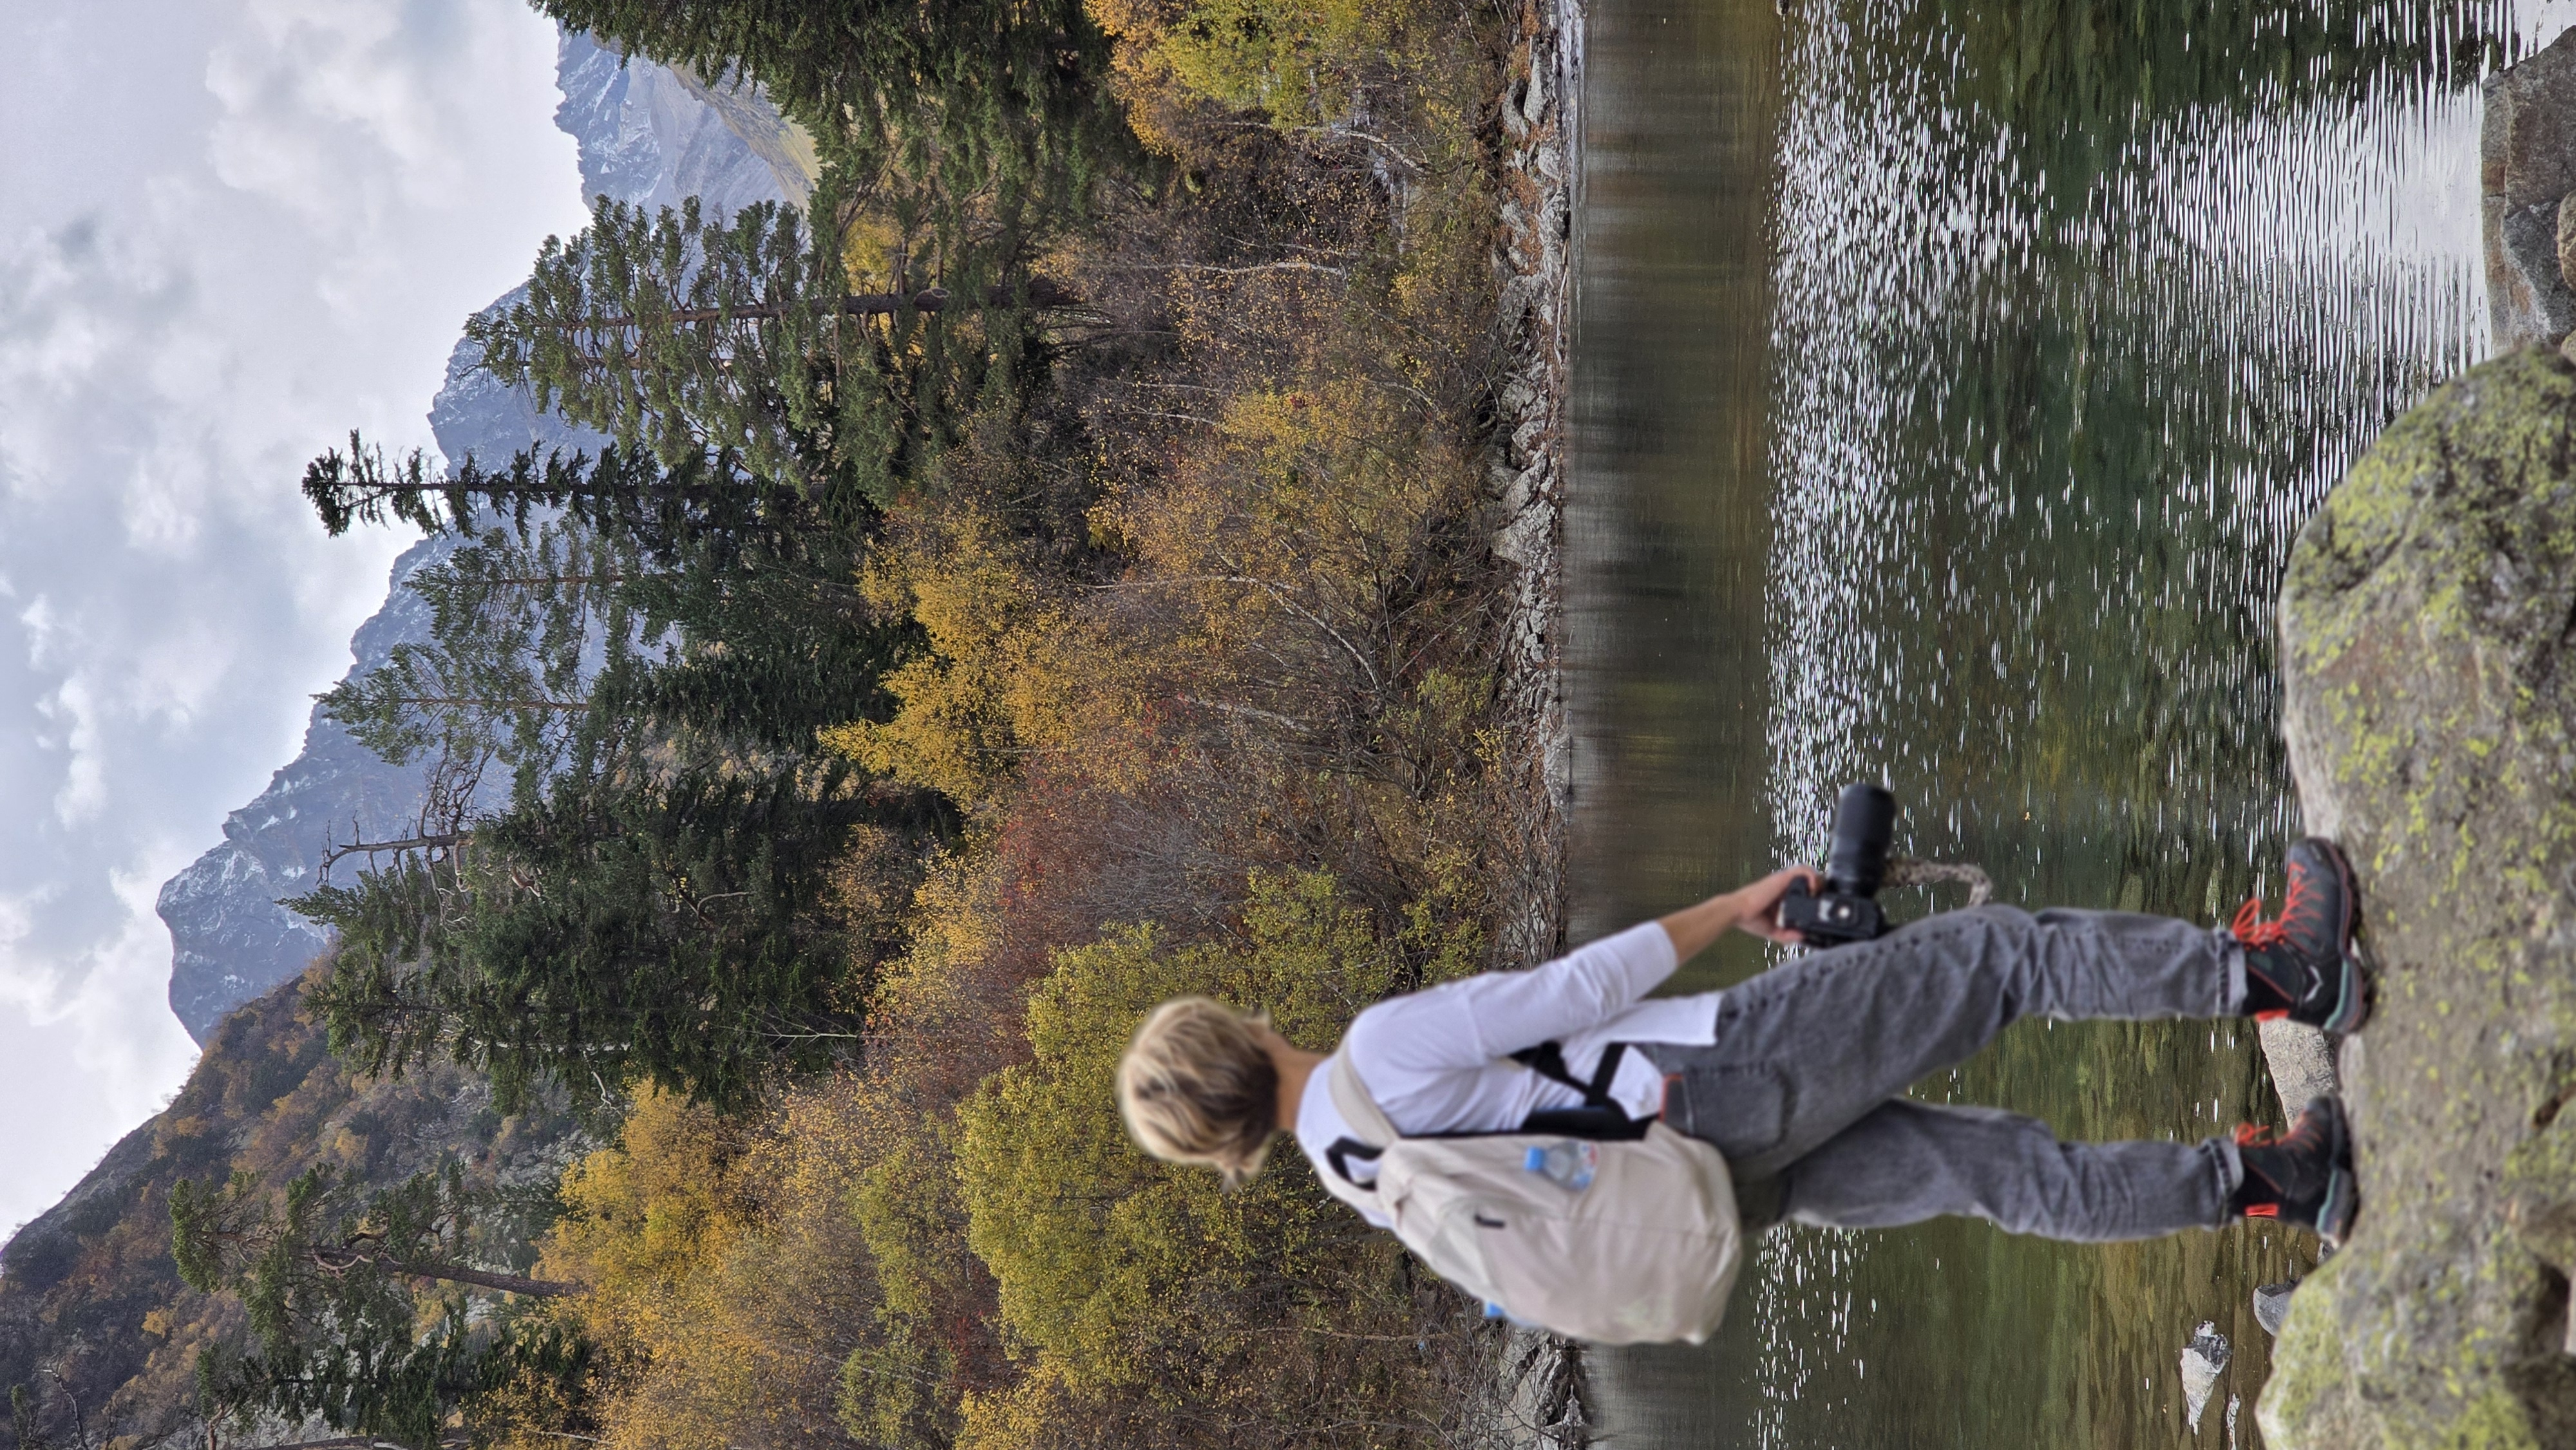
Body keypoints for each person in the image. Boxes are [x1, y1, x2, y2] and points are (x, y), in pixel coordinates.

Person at [1117, 837, 2365, 1250]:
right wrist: (1730, 907)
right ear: (1240, 1030)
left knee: (1990, 1174)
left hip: (1704, 1195)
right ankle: (2288, 976)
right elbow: (1574, 986)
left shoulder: (1354, 1173)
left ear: (1218, 1148)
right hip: (1715, 1075)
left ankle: (2281, 1183)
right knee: (2002, 958)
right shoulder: (1371, 1053)